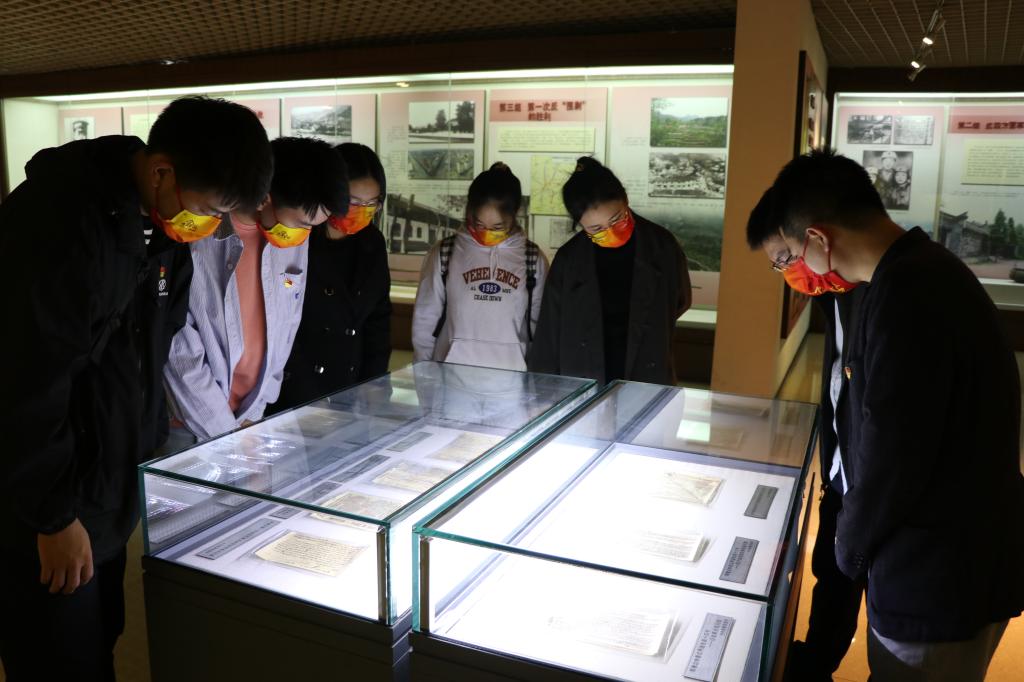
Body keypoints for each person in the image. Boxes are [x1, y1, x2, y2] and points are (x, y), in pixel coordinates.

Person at [0, 96, 272, 680]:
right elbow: (27, 380)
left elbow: (153, 350)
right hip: (45, 500)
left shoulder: (160, 230)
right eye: (210, 210)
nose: (212, 226)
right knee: (57, 656)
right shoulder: (61, 223)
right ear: (161, 171)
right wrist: (52, 518)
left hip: (107, 486)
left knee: (99, 641)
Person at [763, 148, 1024, 682]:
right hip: (948, 559)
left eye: (793, 253)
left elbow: (891, 457)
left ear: (817, 238)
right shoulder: (913, 273)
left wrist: (848, 550)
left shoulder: (909, 296)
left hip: (939, 576)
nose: (800, 269)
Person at [746, 187, 866, 681]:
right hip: (842, 476)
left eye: (785, 257)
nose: (787, 271)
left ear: (813, 236)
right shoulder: (835, 293)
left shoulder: (881, 297)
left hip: (871, 493)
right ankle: (816, 664)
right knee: (830, 579)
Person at [164, 137, 348, 443]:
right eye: (302, 223)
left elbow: (287, 324)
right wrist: (224, 432)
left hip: (251, 419)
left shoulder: (291, 239)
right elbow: (178, 345)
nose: (304, 234)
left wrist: (256, 411)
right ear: (265, 197)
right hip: (189, 421)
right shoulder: (201, 235)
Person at [528, 156, 691, 386]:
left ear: (625, 200)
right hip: (584, 372)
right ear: (580, 226)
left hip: (646, 368)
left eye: (617, 220)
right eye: (596, 229)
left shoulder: (662, 246)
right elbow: (550, 330)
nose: (611, 232)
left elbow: (680, 301)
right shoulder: (569, 259)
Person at [270, 143, 392, 413]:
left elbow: (378, 316)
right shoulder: (299, 237)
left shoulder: (371, 242)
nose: (361, 211)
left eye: (371, 204)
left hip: (350, 382)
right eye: (353, 202)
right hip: (295, 387)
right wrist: (307, 395)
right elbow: (282, 323)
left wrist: (375, 381)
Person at [412, 162, 547, 371]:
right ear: (469, 212)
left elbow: (539, 324)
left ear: (515, 215)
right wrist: (424, 374)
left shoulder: (532, 259)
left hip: (511, 378)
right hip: (450, 376)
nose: (486, 233)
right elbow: (426, 318)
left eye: (497, 227)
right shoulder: (445, 252)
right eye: (479, 225)